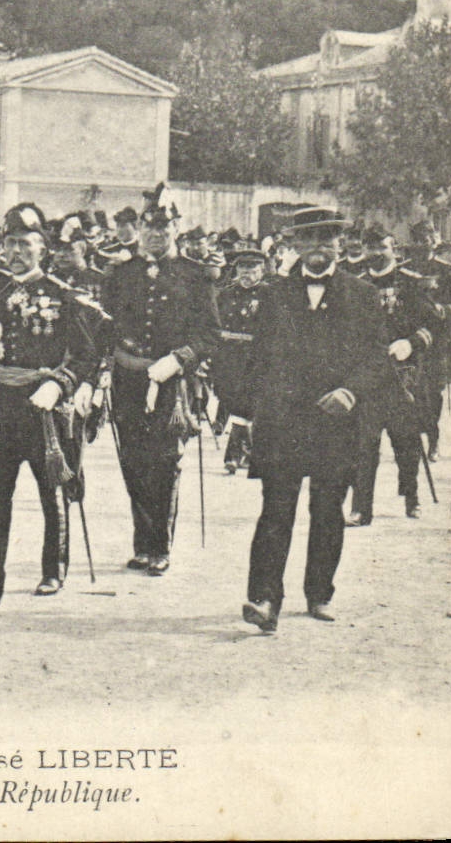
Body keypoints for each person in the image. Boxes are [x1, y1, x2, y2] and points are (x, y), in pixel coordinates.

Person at [242, 207, 386, 632]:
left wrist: (350, 391)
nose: (320, 247)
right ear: (295, 246)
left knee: (327, 510)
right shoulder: (274, 294)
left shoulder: (362, 295)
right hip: (283, 422)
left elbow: (377, 359)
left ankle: (319, 592)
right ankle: (265, 598)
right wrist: (252, 410)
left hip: (337, 421)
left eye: (329, 239)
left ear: (340, 244)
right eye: (310, 239)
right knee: (275, 511)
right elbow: (259, 358)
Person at [0, 203, 99, 604]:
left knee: (50, 490)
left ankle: (53, 571)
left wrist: (59, 384)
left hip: (43, 406)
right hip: (3, 403)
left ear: (43, 249)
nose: (16, 252)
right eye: (11, 243)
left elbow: (88, 354)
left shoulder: (63, 296)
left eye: (25, 244)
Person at [100, 185, 219, 576]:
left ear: (176, 229)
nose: (155, 234)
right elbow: (107, 327)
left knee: (165, 462)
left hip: (171, 384)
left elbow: (209, 336)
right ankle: (142, 543)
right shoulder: (120, 274)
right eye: (149, 227)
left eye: (163, 227)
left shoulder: (195, 276)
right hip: (129, 379)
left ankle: (160, 546)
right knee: (132, 460)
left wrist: (179, 359)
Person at [347, 227, 442, 524]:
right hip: (369, 377)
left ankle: (412, 498)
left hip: (405, 376)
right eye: (370, 248)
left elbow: (434, 325)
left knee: (406, 441)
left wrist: (410, 343)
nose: (376, 254)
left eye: (382, 248)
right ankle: (361, 509)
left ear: (393, 249)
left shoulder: (411, 284)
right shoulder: (355, 285)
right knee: (364, 445)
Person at [212, 238, 268, 474]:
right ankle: (248, 453)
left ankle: (234, 455)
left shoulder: (269, 295)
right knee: (235, 401)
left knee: (245, 404)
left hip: (256, 357)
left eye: (252, 269)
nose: (246, 274)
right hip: (229, 357)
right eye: (242, 269)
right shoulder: (225, 294)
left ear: (262, 271)